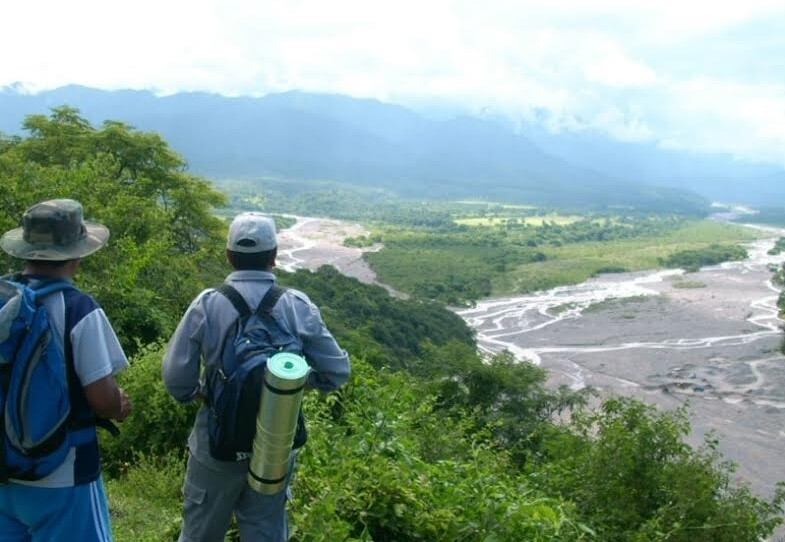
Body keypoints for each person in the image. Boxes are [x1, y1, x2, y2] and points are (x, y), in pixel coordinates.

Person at [163, 212, 350, 542]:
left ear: (229, 256)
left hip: (216, 442)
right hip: (275, 443)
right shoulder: (297, 306)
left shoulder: (207, 304)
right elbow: (337, 371)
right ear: (274, 256)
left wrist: (201, 394)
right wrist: (290, 385)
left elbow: (176, 378)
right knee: (265, 530)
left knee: (200, 533)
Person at [0, 199, 132, 542]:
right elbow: (102, 398)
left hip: (4, 471)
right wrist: (120, 406)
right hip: (62, 471)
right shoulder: (78, 309)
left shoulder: (3, 301)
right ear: (76, 256)